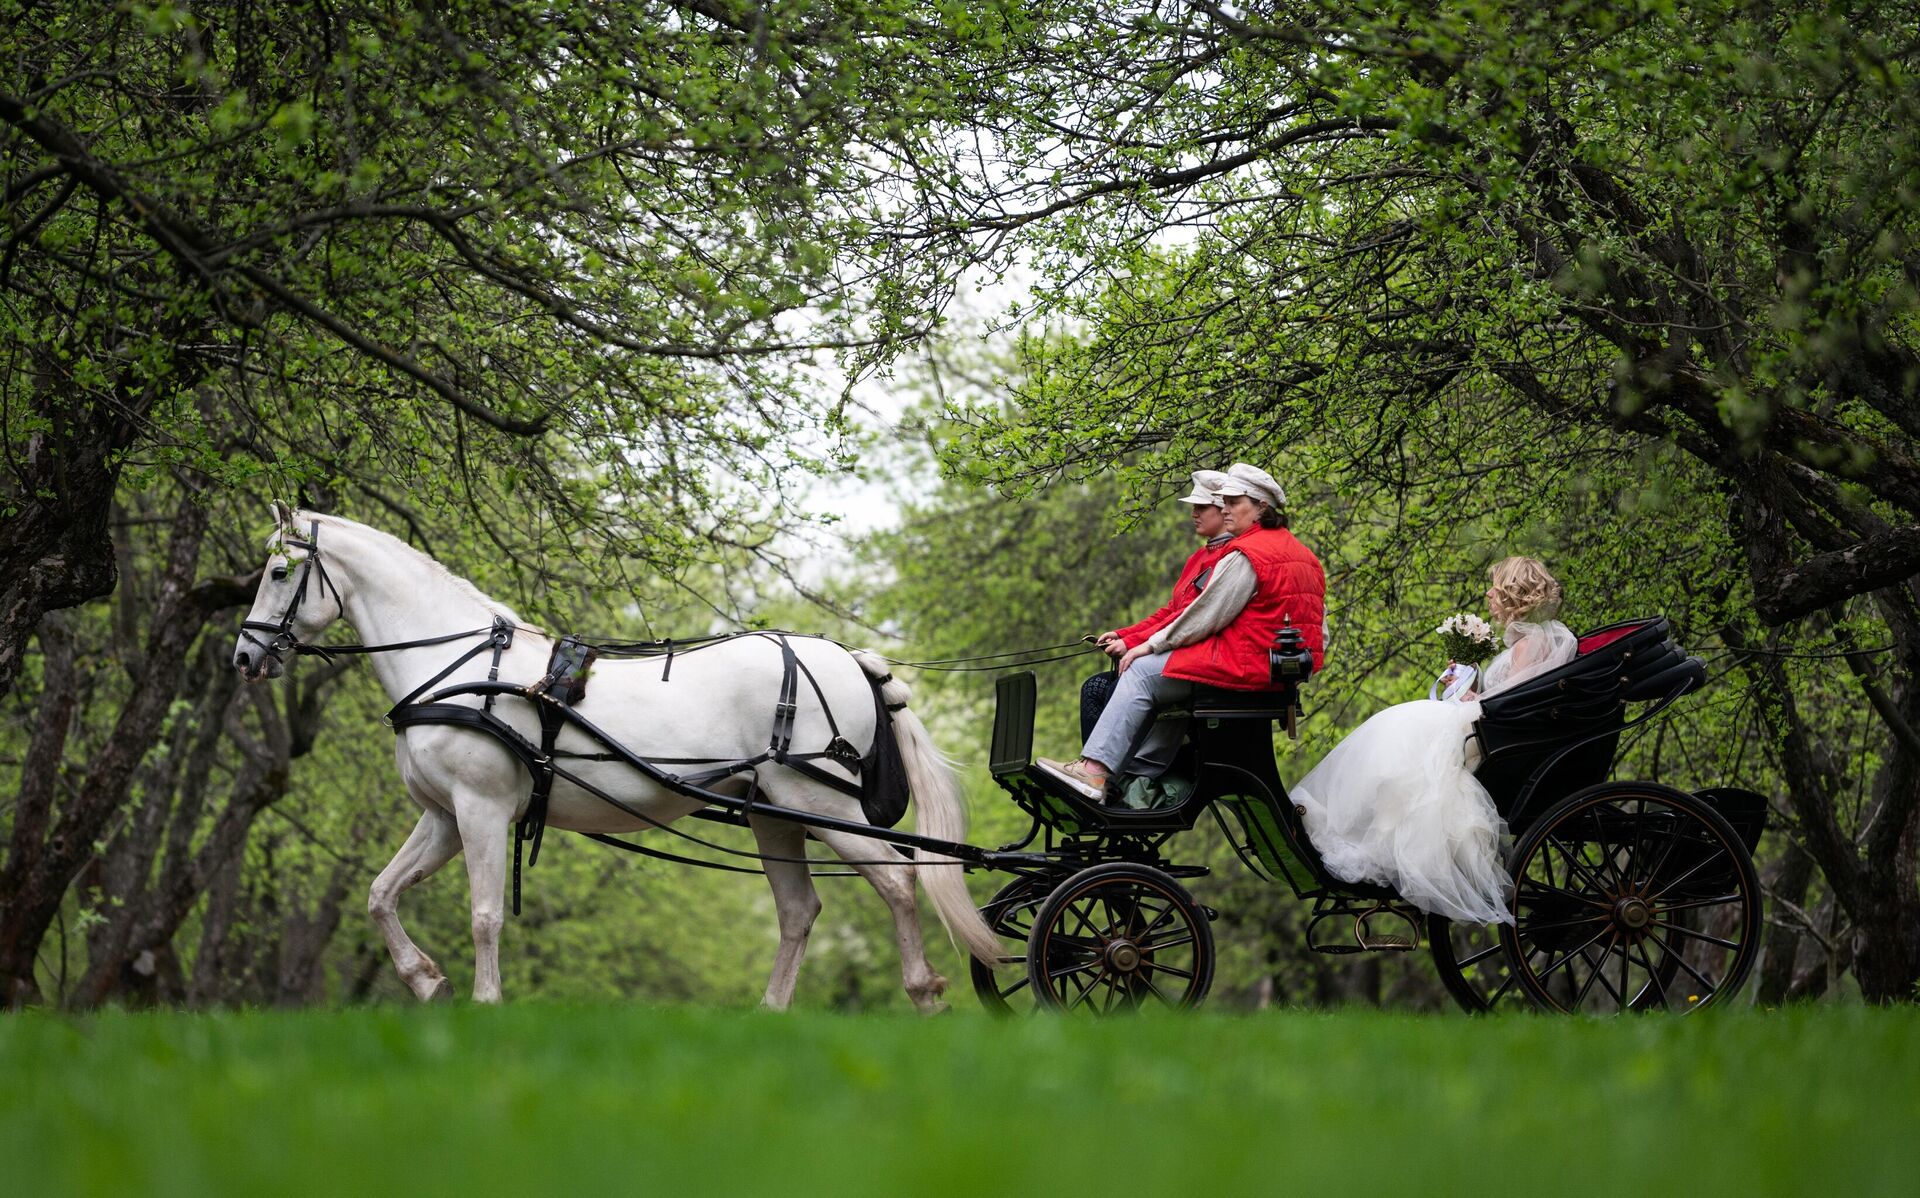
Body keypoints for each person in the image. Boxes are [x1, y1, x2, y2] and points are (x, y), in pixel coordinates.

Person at [1290, 556, 1576, 925]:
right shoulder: (1529, 641)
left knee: (1407, 724)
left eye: (1495, 586)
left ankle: (1374, 838)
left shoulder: (1530, 644)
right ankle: (1376, 832)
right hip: (1492, 726)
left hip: (1498, 733)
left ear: (1513, 593)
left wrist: (1476, 699)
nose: (1489, 594)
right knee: (1404, 725)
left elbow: (1512, 704)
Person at [1038, 462, 1327, 798]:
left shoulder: (1248, 553)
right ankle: (1134, 773)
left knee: (1144, 672)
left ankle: (1095, 772)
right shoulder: (1304, 555)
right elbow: (1320, 630)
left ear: (1261, 507)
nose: (1226, 509)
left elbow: (1205, 615)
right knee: (1158, 672)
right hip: (1272, 672)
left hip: (1246, 668)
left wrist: (1148, 645)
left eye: (1234, 503)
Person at [1093, 469, 1235, 661]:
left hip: (1197, 653)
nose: (1194, 514)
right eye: (1194, 507)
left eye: (1201, 508)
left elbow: (1185, 616)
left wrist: (1132, 642)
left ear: (1223, 509)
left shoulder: (1228, 558)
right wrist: (1123, 634)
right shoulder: (1198, 556)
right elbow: (1171, 610)